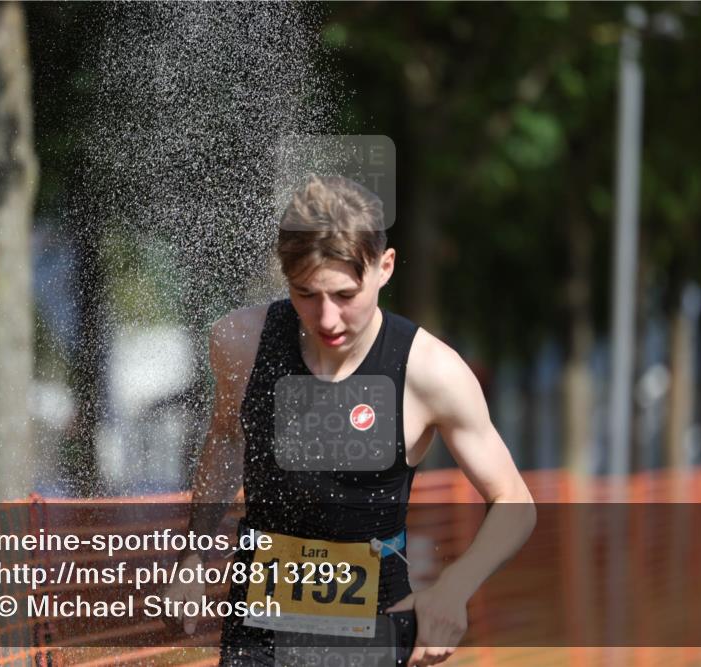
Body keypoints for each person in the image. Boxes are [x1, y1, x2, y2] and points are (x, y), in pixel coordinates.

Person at [168, 175, 536, 666]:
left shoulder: (431, 372)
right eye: (305, 294)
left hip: (377, 629)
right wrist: (193, 556)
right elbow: (227, 441)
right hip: (258, 629)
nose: (326, 319)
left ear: (384, 268)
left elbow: (515, 501)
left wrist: (454, 588)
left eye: (345, 295)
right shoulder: (242, 342)